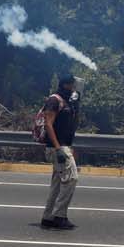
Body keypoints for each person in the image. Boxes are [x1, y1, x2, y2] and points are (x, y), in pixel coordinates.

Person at [39, 75, 81, 231]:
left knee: (57, 183)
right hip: (57, 148)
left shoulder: (68, 102)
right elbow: (49, 124)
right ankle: (59, 216)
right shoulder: (54, 100)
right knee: (71, 178)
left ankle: (48, 217)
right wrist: (58, 148)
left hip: (64, 146)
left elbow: (70, 126)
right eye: (72, 86)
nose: (74, 89)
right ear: (65, 85)